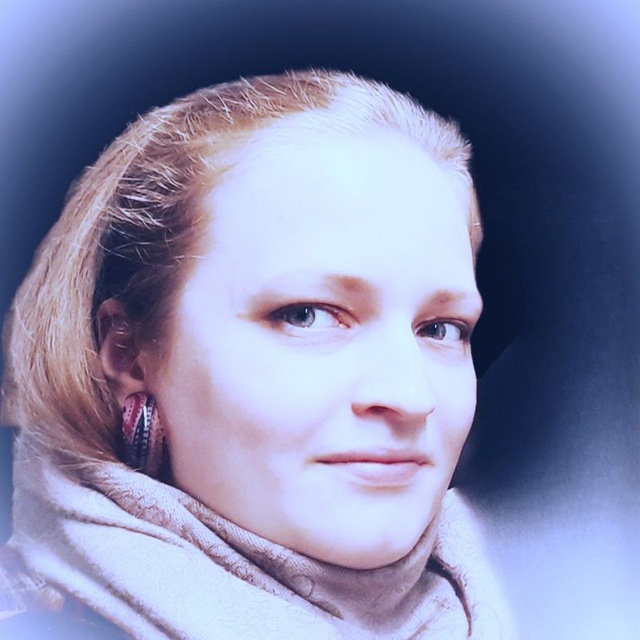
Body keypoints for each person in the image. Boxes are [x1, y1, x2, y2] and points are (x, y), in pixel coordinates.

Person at [0, 69, 515, 639]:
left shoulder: (533, 596)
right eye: (307, 315)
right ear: (128, 353)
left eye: (441, 329)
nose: (411, 396)